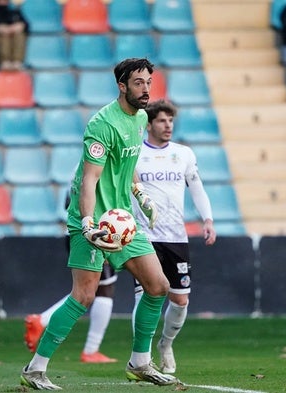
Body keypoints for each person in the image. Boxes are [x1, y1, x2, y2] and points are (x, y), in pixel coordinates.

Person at [20, 58, 181, 390]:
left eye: (149, 81)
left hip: (122, 219)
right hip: (93, 221)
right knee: (83, 296)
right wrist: (89, 224)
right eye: (138, 82)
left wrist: (140, 192)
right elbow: (90, 179)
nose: (146, 88)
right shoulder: (102, 125)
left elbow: (128, 162)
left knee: (158, 286)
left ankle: (139, 363)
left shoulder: (139, 118)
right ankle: (35, 369)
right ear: (122, 86)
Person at [131, 99, 216, 374]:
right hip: (143, 236)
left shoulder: (184, 154)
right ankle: (140, 357)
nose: (168, 125)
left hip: (176, 237)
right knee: (145, 296)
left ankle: (165, 345)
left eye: (171, 121)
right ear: (149, 124)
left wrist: (208, 219)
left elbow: (197, 188)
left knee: (180, 301)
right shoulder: (135, 154)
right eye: (161, 121)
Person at [24, 189, 119, 364]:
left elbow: (68, 201)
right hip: (93, 234)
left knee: (93, 289)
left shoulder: (84, 165)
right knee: (98, 290)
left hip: (80, 232)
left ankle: (43, 321)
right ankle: (89, 350)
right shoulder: (99, 164)